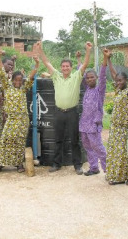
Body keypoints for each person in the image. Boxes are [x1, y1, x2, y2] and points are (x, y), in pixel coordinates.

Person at [39, 41, 91, 175]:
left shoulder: (76, 77)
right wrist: (40, 49)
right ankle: (57, 164)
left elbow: (85, 65)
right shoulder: (56, 76)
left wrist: (88, 50)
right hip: (58, 112)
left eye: (67, 66)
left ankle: (77, 165)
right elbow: (46, 63)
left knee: (74, 140)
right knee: (58, 139)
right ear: (61, 68)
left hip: (72, 113)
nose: (65, 68)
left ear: (71, 68)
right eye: (63, 66)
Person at [0, 49, 39, 173]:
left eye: (20, 80)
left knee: (19, 142)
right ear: (12, 79)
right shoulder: (7, 86)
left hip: (22, 120)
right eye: (16, 80)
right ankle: (0, 164)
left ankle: (19, 164)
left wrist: (36, 64)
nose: (18, 82)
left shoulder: (24, 89)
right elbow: (1, 71)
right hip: (11, 119)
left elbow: (31, 76)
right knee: (5, 139)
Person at [105, 43, 128, 185]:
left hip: (123, 127)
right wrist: (109, 59)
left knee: (122, 150)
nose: (118, 82)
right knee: (113, 150)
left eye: (121, 80)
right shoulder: (118, 90)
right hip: (114, 125)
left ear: (127, 81)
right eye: (117, 81)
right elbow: (113, 74)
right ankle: (117, 176)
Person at [79, 49, 111, 176]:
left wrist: (104, 58)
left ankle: (109, 171)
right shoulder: (87, 89)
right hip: (83, 124)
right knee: (88, 147)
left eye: (92, 77)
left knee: (98, 148)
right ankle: (94, 168)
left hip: (93, 124)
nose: (89, 79)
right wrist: (79, 60)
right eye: (88, 78)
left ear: (96, 78)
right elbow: (80, 73)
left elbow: (103, 75)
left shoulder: (100, 90)